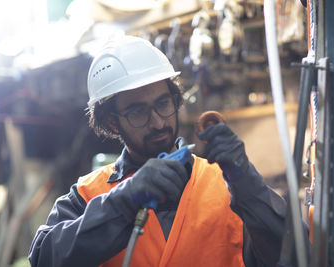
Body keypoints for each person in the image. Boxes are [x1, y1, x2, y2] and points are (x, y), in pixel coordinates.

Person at [28, 35, 286, 267]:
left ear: (176, 100)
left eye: (163, 103)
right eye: (138, 111)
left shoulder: (224, 183)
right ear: (112, 122)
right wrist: (124, 201)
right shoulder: (88, 195)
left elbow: (291, 255)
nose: (159, 122)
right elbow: (43, 258)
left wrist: (249, 185)